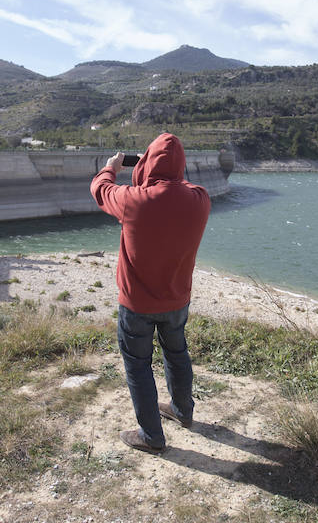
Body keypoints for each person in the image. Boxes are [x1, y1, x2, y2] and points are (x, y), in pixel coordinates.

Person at [90, 133, 211, 454]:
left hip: (137, 305)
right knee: (177, 353)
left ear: (146, 163)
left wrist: (111, 167)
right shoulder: (200, 199)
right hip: (177, 300)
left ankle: (151, 436)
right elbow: (179, 186)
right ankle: (182, 411)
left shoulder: (133, 200)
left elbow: (100, 189)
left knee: (138, 365)